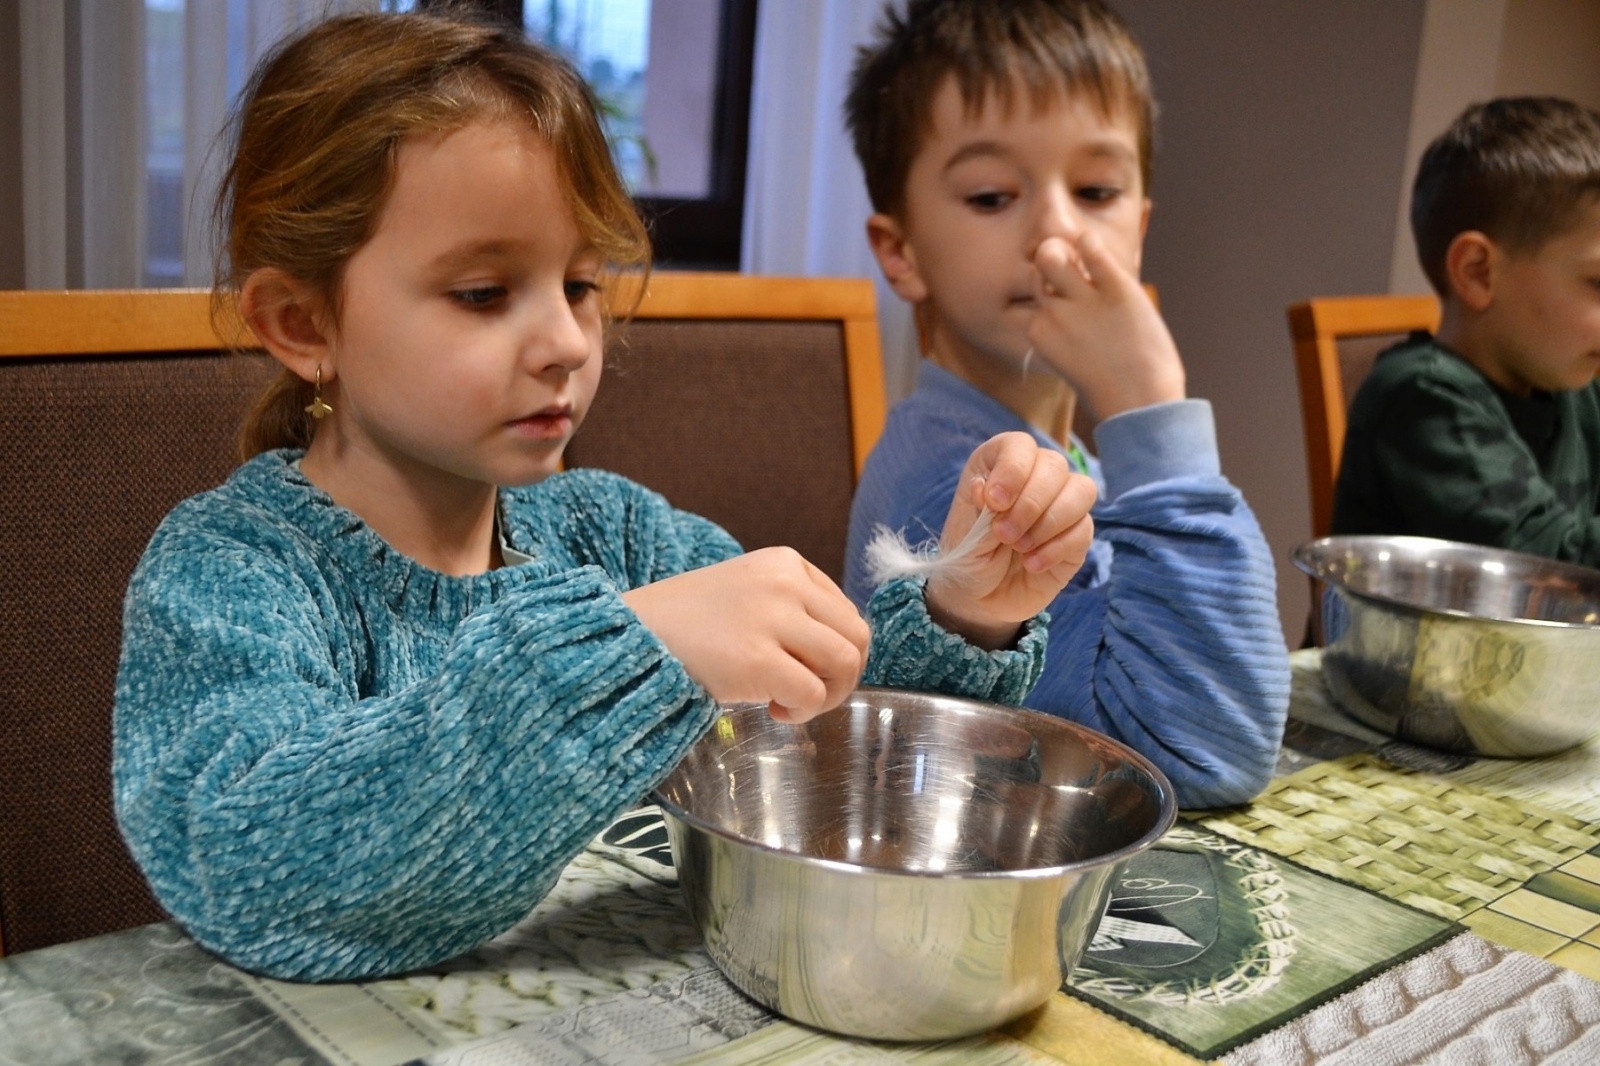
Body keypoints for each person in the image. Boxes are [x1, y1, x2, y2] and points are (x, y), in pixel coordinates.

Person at [112, 11, 1098, 983]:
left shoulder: (613, 532)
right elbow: (248, 862)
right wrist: (626, 654)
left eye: (581, 284)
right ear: (301, 321)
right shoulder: (230, 570)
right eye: (485, 293)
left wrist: (963, 609)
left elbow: (827, 743)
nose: (568, 344)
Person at [842, 0, 1289, 810]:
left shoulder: (1065, 450)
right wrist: (1150, 402)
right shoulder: (955, 481)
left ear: (1140, 230)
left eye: (1095, 189)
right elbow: (1204, 748)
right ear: (900, 251)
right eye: (989, 196)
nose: (1057, 235)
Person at [1332, 97, 1600, 562]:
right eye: (1598, 282)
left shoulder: (1573, 381)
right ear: (1478, 272)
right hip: (1400, 640)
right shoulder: (1421, 398)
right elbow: (1550, 568)